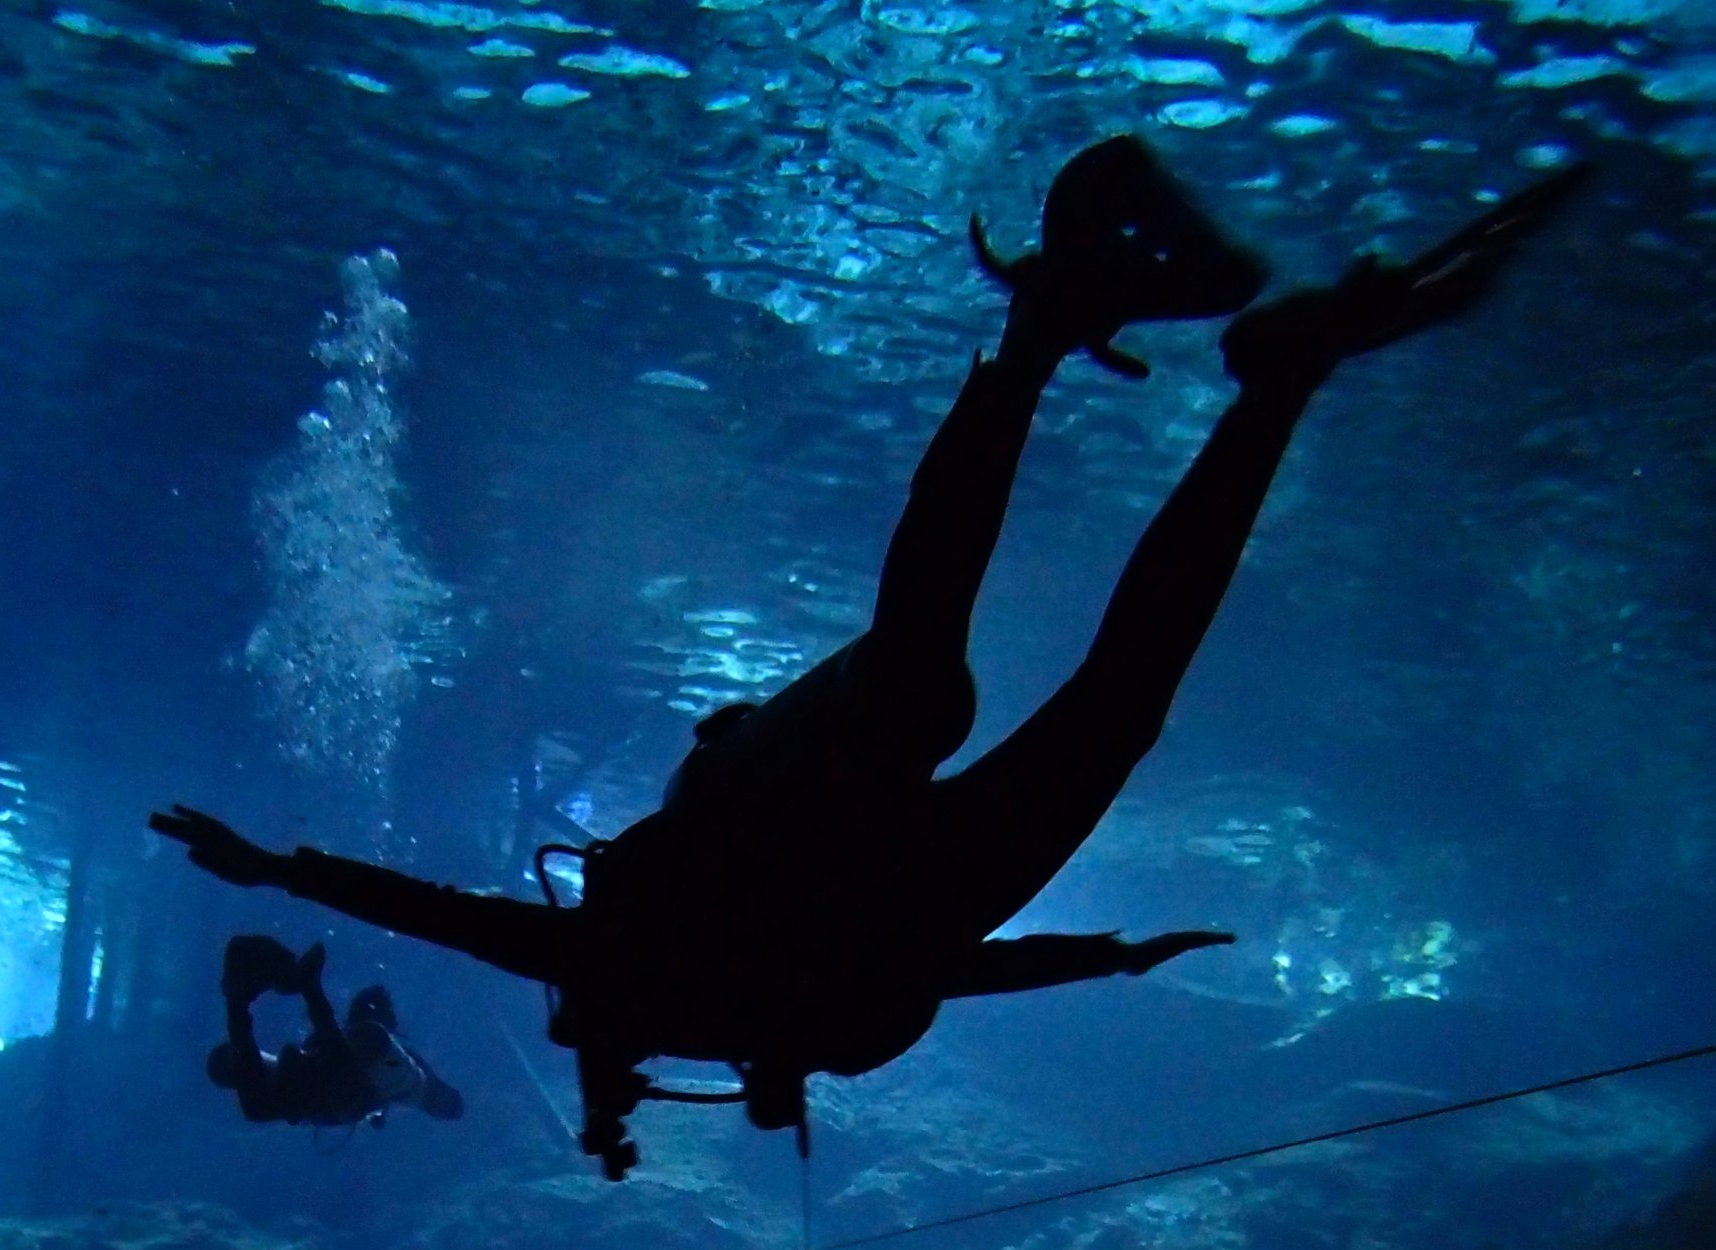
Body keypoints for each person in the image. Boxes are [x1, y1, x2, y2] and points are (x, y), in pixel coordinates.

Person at [155, 140, 1590, 1179]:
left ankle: (1068, 338)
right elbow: (975, 977)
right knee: (1079, 701)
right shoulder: (739, 1000)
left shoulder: (644, 963)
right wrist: (1117, 954)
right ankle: (1275, 382)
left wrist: (280, 869)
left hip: (793, 825)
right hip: (913, 889)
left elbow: (457, 918)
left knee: (972, 688)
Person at [208, 932, 465, 1130]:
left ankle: (291, 987)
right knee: (364, 1038)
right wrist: (309, 988)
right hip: (373, 1072)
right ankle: (296, 986)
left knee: (363, 1025)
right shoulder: (272, 1097)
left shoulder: (279, 1086)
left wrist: (239, 999)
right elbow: (337, 1055)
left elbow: (336, 1049)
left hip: (370, 1069)